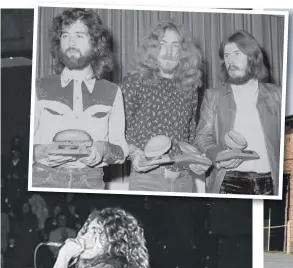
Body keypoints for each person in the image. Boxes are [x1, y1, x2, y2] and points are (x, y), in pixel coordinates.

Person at [32, 8, 128, 190]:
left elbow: (122, 151)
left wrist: (103, 150)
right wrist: (43, 151)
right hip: (42, 178)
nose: (71, 42)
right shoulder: (39, 87)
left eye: (79, 36)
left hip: (90, 182)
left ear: (95, 43)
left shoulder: (112, 91)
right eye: (65, 36)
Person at [122, 21, 208, 192]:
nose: (169, 52)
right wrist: (134, 154)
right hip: (147, 179)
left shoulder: (190, 88)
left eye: (175, 46)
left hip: (184, 181)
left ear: (183, 52)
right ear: (153, 49)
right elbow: (119, 129)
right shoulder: (134, 81)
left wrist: (196, 160)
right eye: (162, 45)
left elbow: (189, 136)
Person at [194, 30, 281, 195]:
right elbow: (202, 137)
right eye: (226, 56)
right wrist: (219, 154)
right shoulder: (214, 96)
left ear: (253, 57)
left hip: (270, 181)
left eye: (236, 54)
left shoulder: (277, 95)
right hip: (227, 181)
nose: (230, 61)